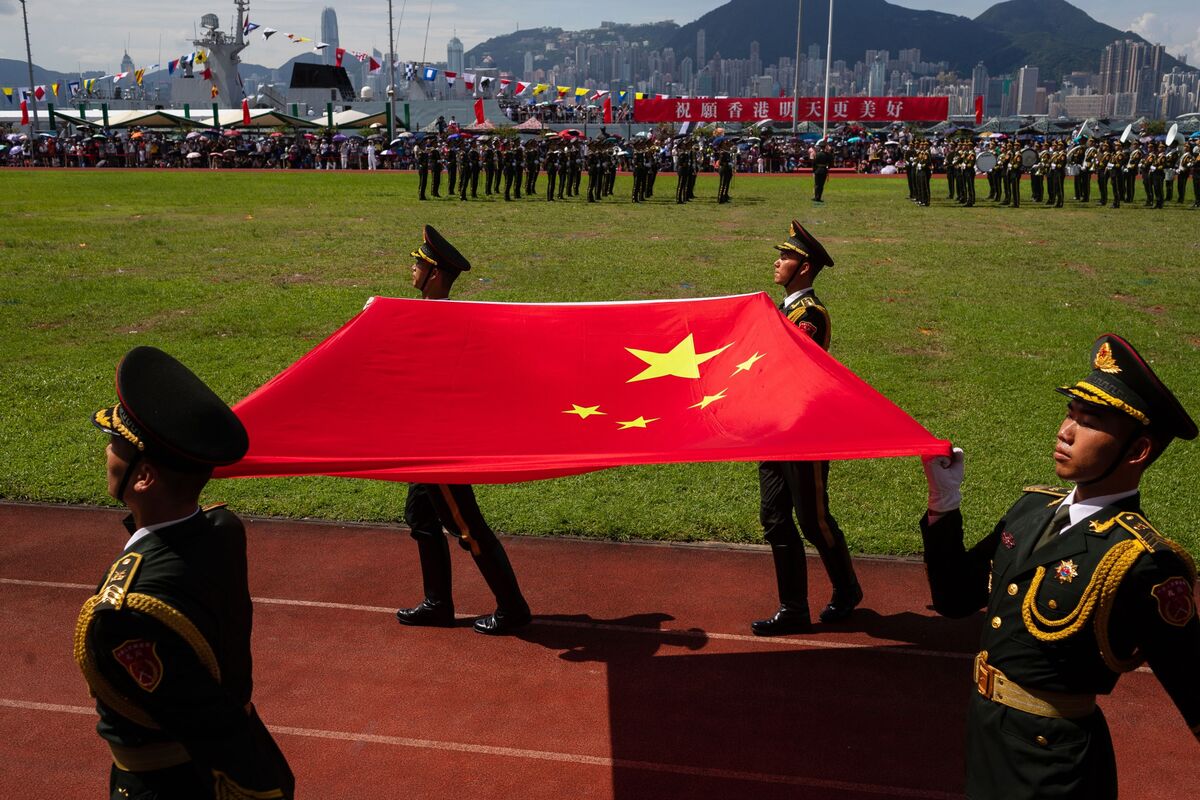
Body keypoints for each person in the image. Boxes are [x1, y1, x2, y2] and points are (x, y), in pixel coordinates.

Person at [920, 334, 1200, 800]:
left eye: (1089, 422)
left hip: (1053, 767)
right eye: (1070, 413)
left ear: (1137, 451)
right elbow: (954, 598)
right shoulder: (1030, 510)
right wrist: (943, 505)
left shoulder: (1143, 562)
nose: (1066, 431)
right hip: (985, 735)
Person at [78, 346, 294, 799]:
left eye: (117, 444)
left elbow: (206, 724)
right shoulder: (220, 530)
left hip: (171, 786)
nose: (107, 451)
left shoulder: (124, 611)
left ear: (144, 477)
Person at [397, 226, 533, 636]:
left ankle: (513, 609)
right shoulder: (420, 313)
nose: (413, 267)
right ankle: (438, 603)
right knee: (420, 517)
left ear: (435, 274)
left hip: (441, 445)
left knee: (467, 527)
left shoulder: (445, 321)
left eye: (419, 263)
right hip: (423, 442)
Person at [751, 220, 863, 636]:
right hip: (774, 430)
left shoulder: (808, 314)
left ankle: (847, 589)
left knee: (813, 520)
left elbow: (791, 367)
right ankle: (793, 608)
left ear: (803, 267)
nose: (777, 262)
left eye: (785, 256)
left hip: (803, 432)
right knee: (774, 517)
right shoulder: (781, 310)